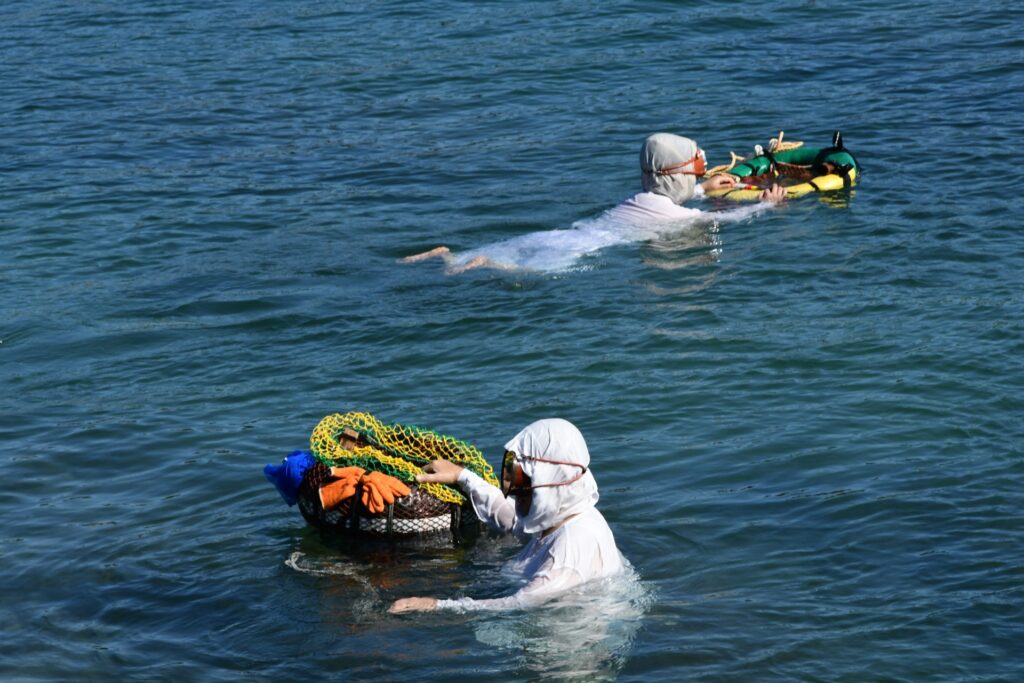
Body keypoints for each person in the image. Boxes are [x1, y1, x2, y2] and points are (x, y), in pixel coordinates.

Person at [400, 133, 786, 272]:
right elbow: (731, 222)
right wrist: (766, 205)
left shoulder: (636, 199)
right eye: (696, 171)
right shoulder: (677, 219)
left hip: (562, 234)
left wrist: (703, 190)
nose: (700, 176)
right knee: (515, 269)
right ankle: (488, 265)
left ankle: (446, 255)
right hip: (579, 250)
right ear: (677, 175)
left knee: (468, 256)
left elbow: (672, 199)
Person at [389, 418, 626, 613]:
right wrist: (463, 477)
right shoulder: (567, 515)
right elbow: (514, 519)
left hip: (562, 656)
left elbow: (522, 602)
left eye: (521, 479)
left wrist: (436, 606)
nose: (512, 489)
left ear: (550, 479)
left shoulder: (573, 544)